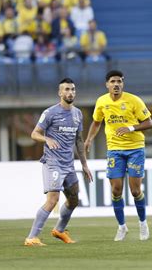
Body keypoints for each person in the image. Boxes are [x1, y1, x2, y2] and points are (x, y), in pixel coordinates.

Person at [84, 70, 152, 241]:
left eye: (119, 81)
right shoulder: (102, 101)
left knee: (135, 190)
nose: (116, 84)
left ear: (123, 83)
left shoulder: (133, 100)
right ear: (107, 84)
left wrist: (130, 128)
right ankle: (122, 226)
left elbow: (149, 123)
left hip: (135, 148)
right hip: (114, 149)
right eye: (113, 81)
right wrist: (89, 139)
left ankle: (143, 223)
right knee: (116, 190)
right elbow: (96, 122)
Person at [24, 78, 93, 246]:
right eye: (67, 89)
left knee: (74, 200)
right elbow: (35, 133)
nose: (70, 92)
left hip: (69, 164)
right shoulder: (50, 113)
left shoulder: (77, 114)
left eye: (73, 89)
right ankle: (31, 237)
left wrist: (84, 164)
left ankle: (59, 230)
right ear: (60, 93)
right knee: (53, 199)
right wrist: (46, 138)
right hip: (52, 162)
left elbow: (78, 141)